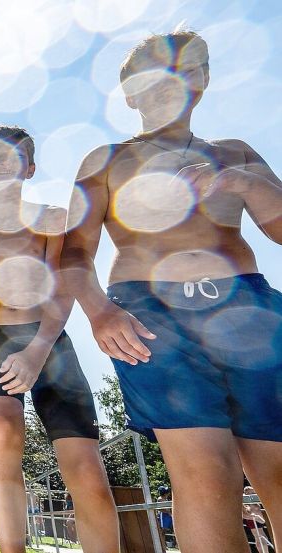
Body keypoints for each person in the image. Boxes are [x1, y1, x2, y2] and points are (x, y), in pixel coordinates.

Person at [60, 30, 282, 553]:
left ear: (202, 82)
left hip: (248, 310)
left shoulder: (234, 152)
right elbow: (72, 255)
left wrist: (245, 181)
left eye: (183, 69)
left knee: (277, 471)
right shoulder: (106, 159)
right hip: (149, 314)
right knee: (208, 474)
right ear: (130, 93)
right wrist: (99, 313)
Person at [0, 125, 119, 553]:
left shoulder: (53, 219)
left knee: (86, 467)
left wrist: (38, 350)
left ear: (30, 168)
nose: (2, 163)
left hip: (49, 337)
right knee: (0, 431)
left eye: (14, 157)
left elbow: (62, 286)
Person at [243, 486, 272, 553]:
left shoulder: (253, 503)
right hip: (254, 519)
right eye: (253, 492)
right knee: (260, 537)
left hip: (255, 519)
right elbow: (262, 520)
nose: (254, 493)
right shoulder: (248, 503)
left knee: (260, 537)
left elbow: (262, 520)